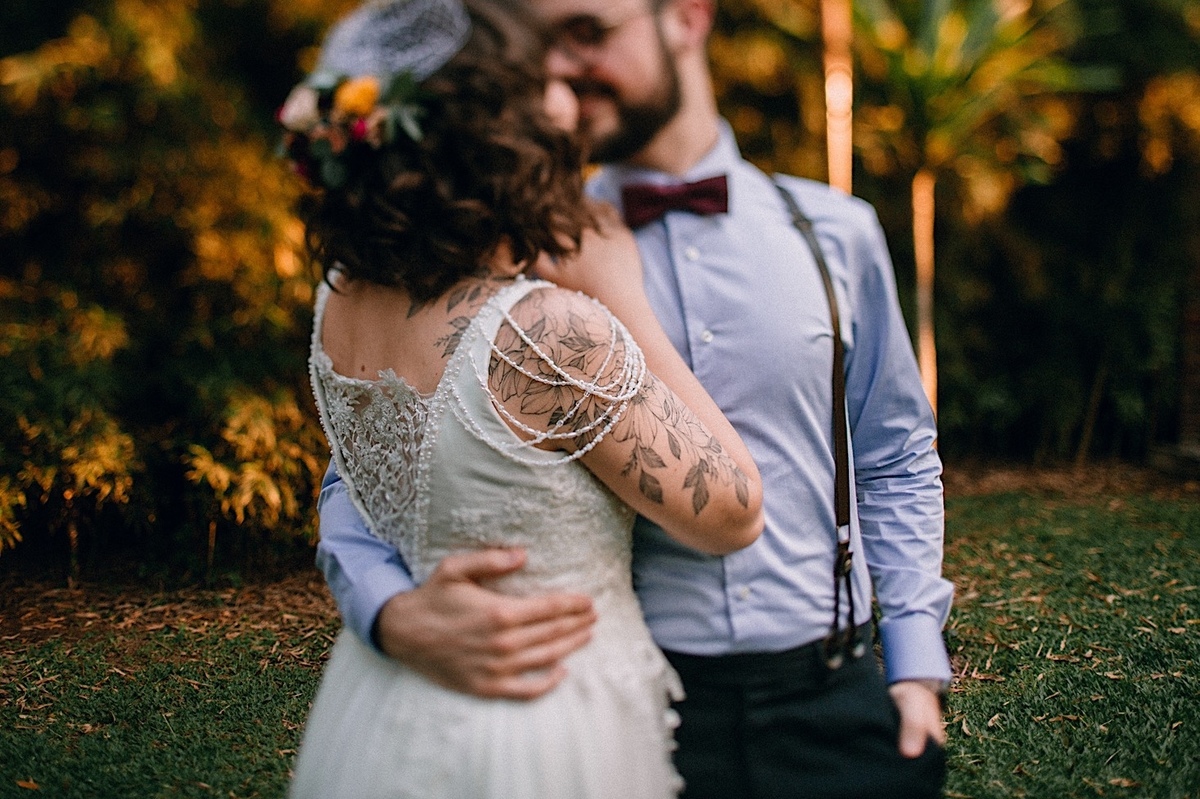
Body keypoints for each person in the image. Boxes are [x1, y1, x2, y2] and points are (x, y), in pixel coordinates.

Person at [315, 0, 956, 796]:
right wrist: (388, 610)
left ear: (686, 18)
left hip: (838, 697)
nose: (562, 69)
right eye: (544, 46)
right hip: (636, 712)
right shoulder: (509, 250)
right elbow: (377, 458)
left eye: (587, 33)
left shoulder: (838, 234)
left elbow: (893, 453)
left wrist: (915, 660)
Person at [283, 0, 764, 796]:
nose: (569, 91)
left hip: (379, 708)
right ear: (500, 124)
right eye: (546, 77)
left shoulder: (340, 296)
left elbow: (363, 486)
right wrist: (620, 294)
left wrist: (385, 610)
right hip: (540, 724)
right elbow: (734, 510)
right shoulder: (542, 334)